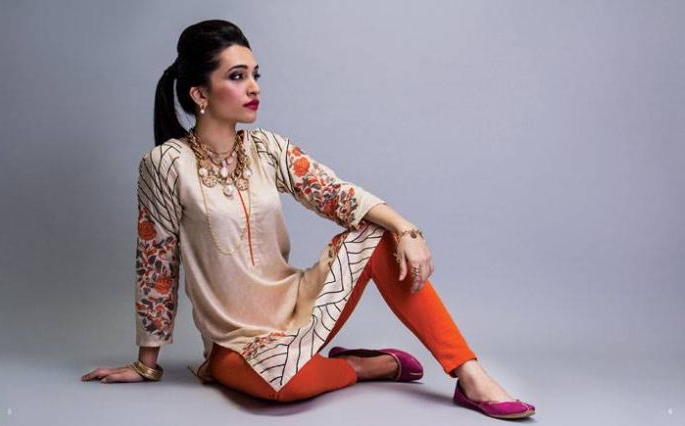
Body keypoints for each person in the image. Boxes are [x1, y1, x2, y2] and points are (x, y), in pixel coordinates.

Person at [80, 19, 535, 420]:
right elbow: (156, 264)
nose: (254, 87)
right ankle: (358, 366)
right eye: (237, 77)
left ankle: (470, 375)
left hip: (296, 307)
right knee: (284, 389)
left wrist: (406, 229)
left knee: (379, 237)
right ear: (199, 94)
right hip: (234, 340)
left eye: (255, 75)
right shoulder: (165, 164)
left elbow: (335, 194)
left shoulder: (267, 149)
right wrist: (146, 363)